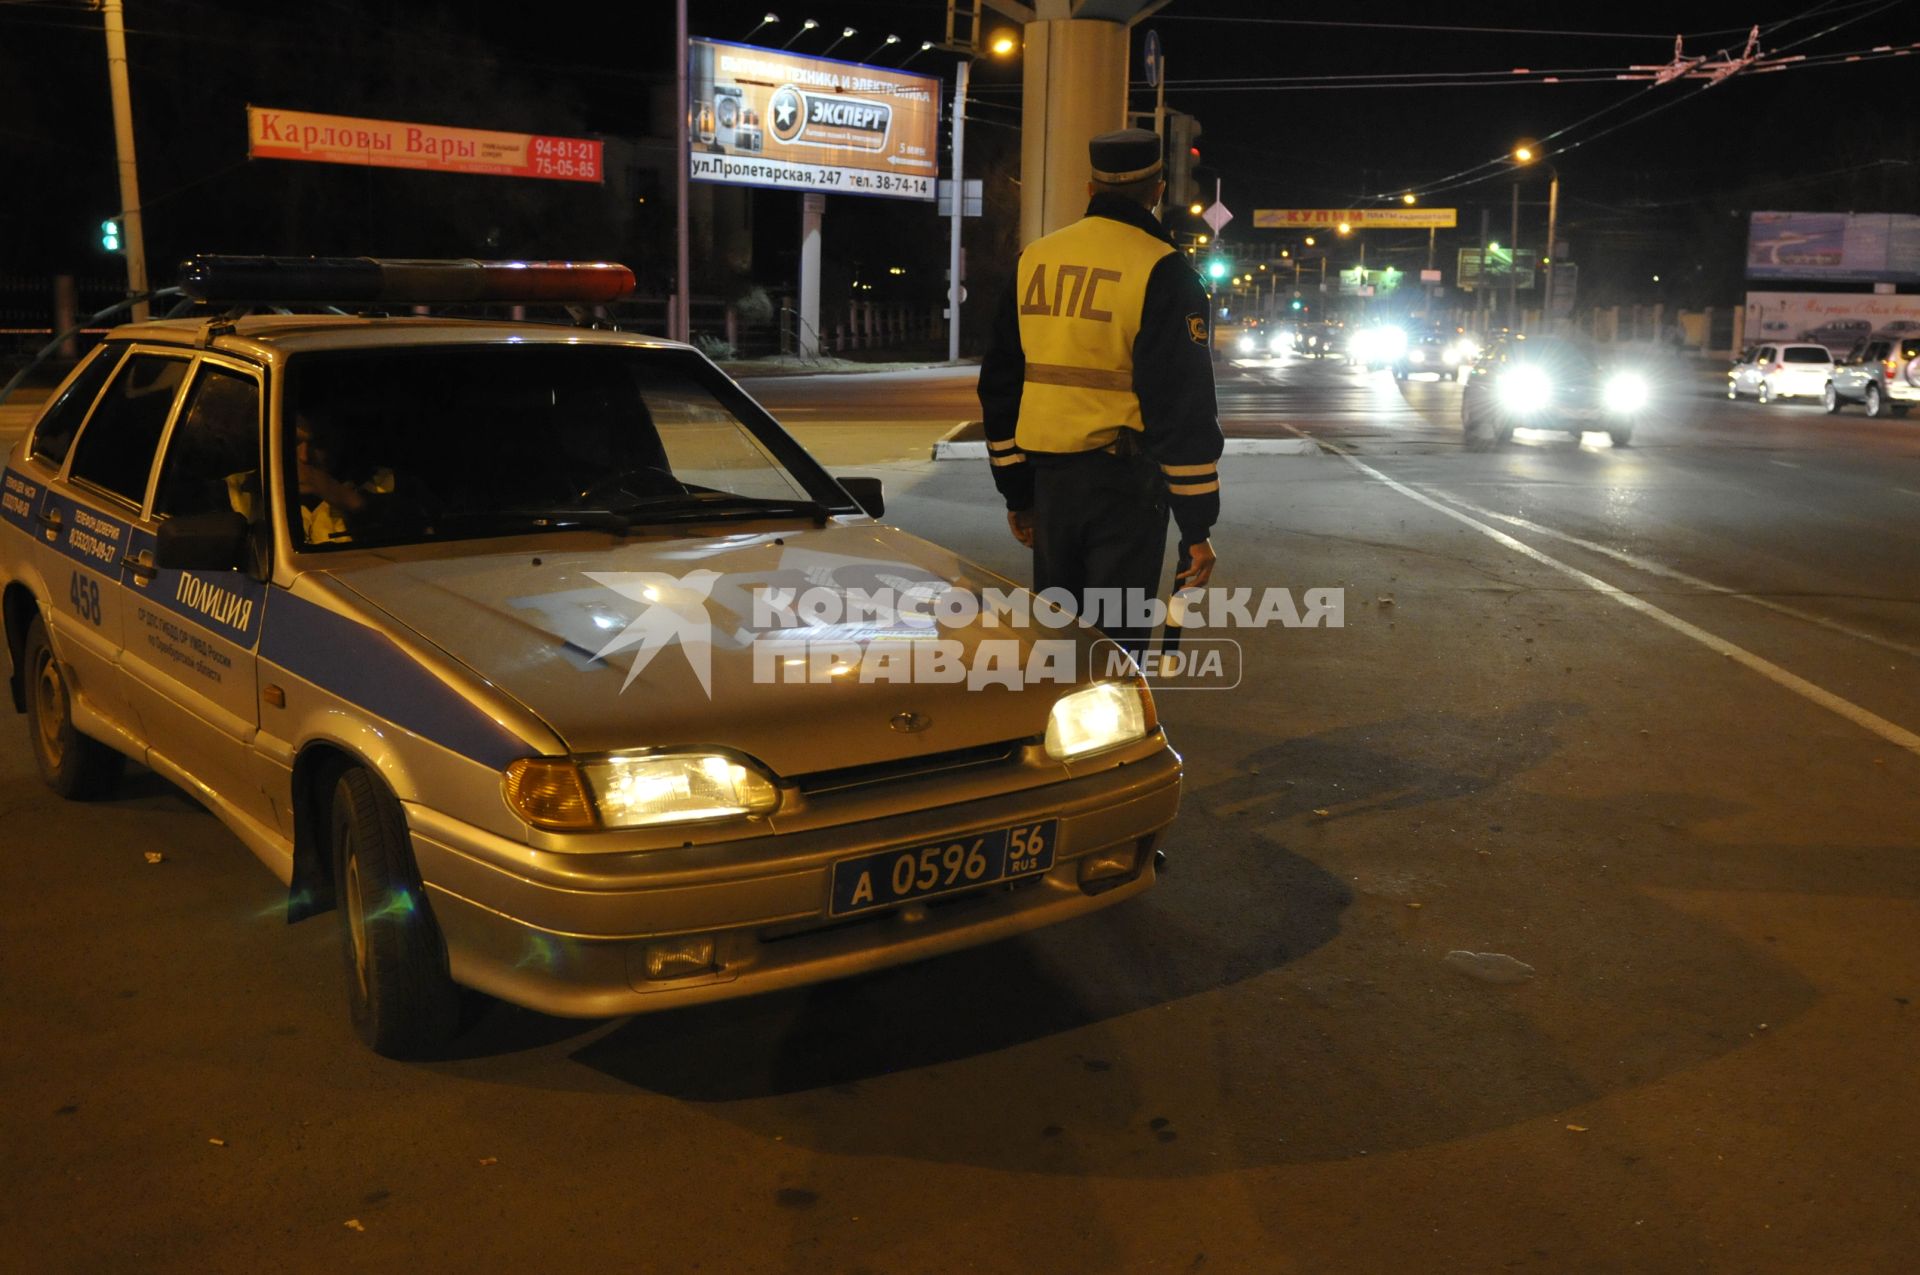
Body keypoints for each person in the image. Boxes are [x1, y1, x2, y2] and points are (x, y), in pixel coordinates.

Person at [977, 127, 1223, 652]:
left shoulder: (1034, 260)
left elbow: (1001, 383)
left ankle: (1051, 730)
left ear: (1091, 190)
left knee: (1059, 636)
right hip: (1124, 488)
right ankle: (1109, 733)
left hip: (1050, 484)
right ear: (1157, 189)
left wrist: (1017, 493)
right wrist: (1197, 525)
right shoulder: (1165, 271)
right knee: (1115, 643)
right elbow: (1182, 408)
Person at [294, 411, 397, 545]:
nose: (304, 456)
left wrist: (337, 494)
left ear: (341, 439)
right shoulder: (274, 495)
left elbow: (410, 525)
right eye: (295, 442)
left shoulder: (385, 481)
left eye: (319, 443)